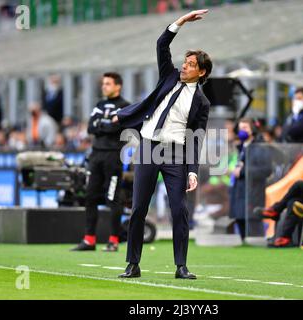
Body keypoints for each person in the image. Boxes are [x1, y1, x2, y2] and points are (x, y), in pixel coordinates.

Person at [112, 9, 212, 279]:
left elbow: (197, 137)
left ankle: (181, 266)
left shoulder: (202, 103)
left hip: (176, 155)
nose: (184, 66)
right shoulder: (169, 76)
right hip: (148, 147)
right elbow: (162, 44)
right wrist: (181, 21)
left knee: (179, 210)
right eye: (185, 61)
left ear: (201, 72)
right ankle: (132, 264)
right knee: (138, 209)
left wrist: (192, 170)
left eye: (190, 64)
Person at [71, 72, 130, 252]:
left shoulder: (125, 106)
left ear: (118, 86)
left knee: (112, 197)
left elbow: (117, 128)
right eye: (103, 84)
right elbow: (91, 127)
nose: (104, 86)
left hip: (113, 156)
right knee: (89, 196)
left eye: (108, 84)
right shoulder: (99, 105)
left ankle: (113, 240)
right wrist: (107, 124)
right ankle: (89, 239)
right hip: (96, 156)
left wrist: (102, 125)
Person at [229, 118, 272, 239]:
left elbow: (266, 170)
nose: (241, 131)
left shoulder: (260, 147)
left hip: (253, 193)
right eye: (240, 128)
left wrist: (242, 171)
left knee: (254, 227)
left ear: (252, 129)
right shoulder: (242, 147)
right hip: (240, 192)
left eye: (245, 128)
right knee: (241, 222)